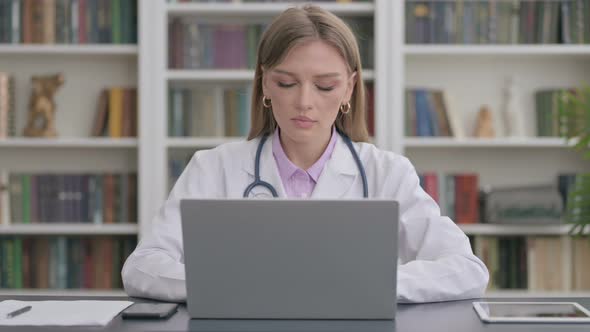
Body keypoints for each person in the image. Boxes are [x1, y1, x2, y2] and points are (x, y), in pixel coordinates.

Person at [122, 5, 489, 303]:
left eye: (325, 85)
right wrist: (232, 286)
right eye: (286, 83)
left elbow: (467, 270)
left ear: (349, 88)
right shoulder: (213, 168)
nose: (304, 102)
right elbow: (142, 268)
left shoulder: (387, 173)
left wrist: (370, 284)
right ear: (265, 83)